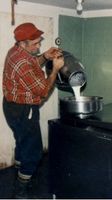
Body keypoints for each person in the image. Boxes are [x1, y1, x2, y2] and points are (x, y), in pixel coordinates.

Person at [2, 22, 64, 198]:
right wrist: (55, 70)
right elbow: (44, 91)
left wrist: (45, 56)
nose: (39, 46)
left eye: (39, 42)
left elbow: (33, 62)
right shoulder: (22, 62)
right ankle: (20, 190)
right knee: (34, 151)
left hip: (11, 106)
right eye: (35, 44)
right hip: (23, 109)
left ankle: (21, 175)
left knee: (22, 141)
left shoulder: (16, 51)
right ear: (23, 43)